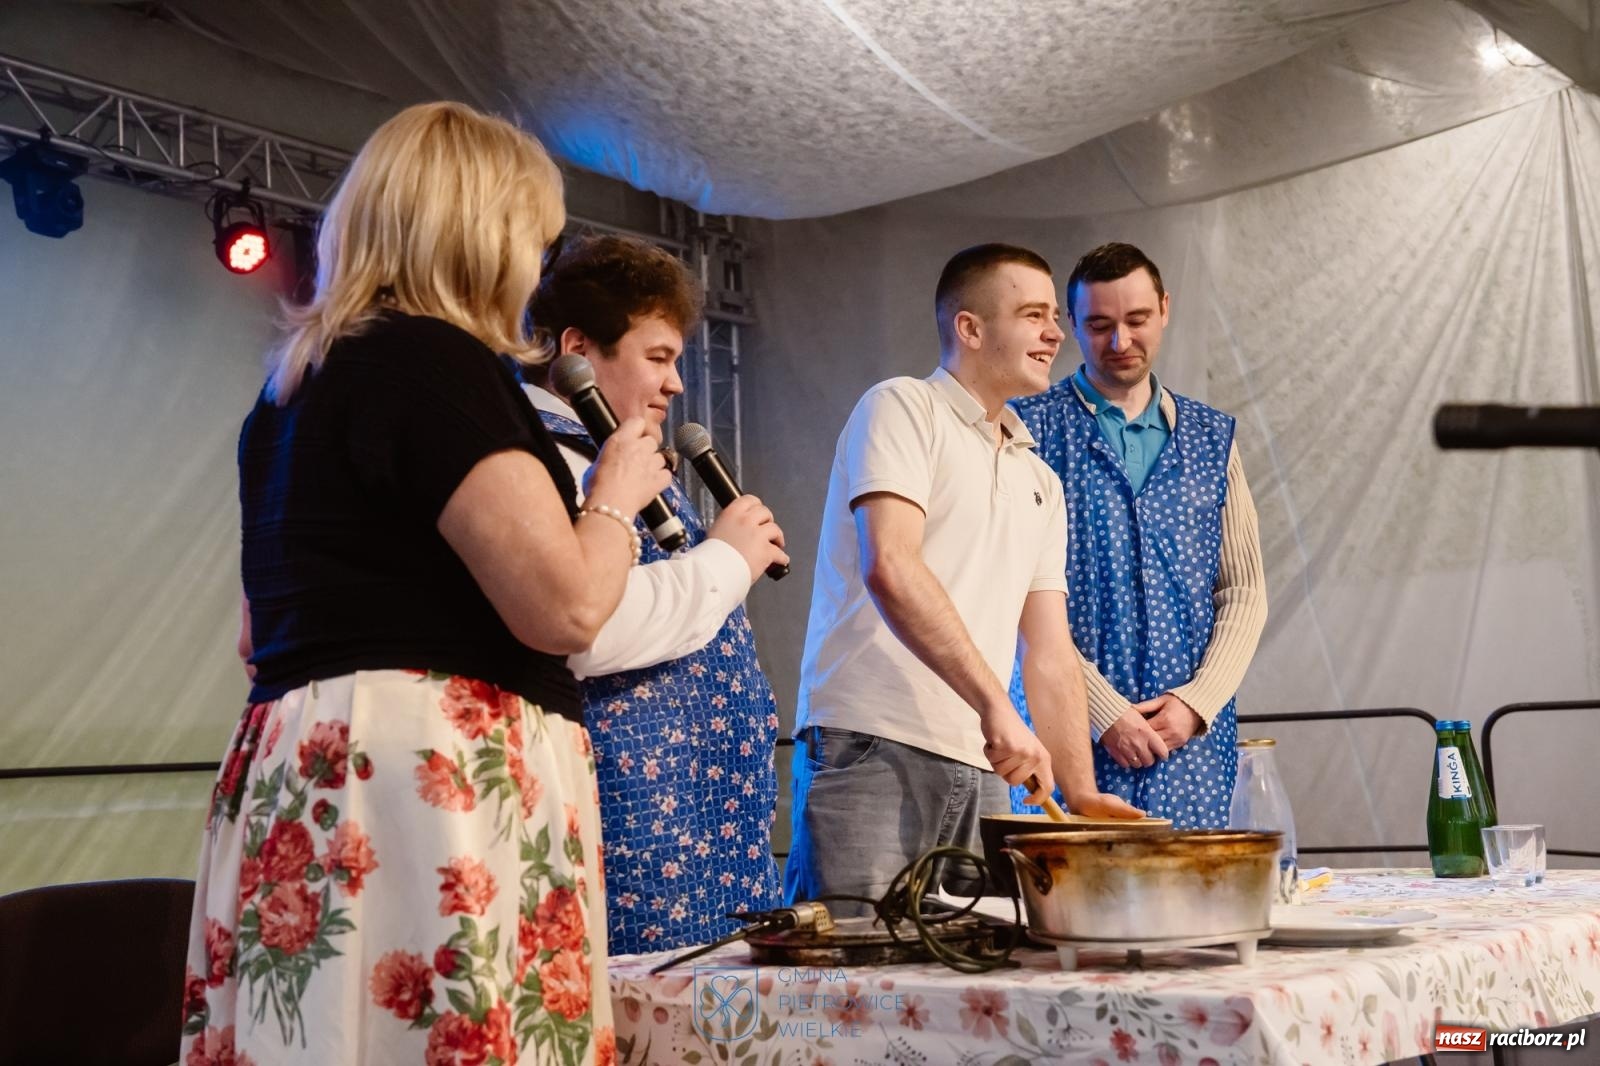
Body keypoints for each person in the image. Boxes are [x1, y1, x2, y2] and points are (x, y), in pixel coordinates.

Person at [181, 102, 670, 1065]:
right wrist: (612, 497)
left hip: (303, 761)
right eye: (535, 239)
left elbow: (256, 635)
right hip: (430, 771)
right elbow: (563, 607)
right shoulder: (435, 364)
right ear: (485, 236)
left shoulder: (285, 394)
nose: (535, 268)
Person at [784, 243, 1141, 914]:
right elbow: (890, 564)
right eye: (1033, 314)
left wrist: (1080, 788)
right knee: (852, 980)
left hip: (983, 766)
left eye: (1053, 318)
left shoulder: (1040, 477)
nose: (1055, 333)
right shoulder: (901, 407)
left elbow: (1050, 648)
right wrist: (996, 706)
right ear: (970, 329)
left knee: (964, 980)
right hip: (873, 745)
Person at [521, 234, 790, 955]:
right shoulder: (542, 455)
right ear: (577, 348)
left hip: (699, 832)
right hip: (639, 827)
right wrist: (727, 561)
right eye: (658, 358)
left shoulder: (618, 458)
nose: (675, 384)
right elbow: (586, 627)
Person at [1009, 241, 1268, 827]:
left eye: (1136, 320)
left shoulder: (1212, 438)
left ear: (1165, 309)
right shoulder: (1027, 429)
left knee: (1196, 906)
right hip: (1063, 741)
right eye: (1099, 325)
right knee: (1064, 912)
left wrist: (1196, 704)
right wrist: (1104, 713)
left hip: (1191, 750)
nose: (1120, 342)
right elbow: (1016, 602)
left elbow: (1243, 590)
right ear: (1070, 323)